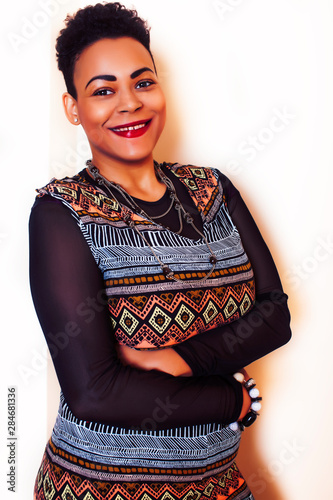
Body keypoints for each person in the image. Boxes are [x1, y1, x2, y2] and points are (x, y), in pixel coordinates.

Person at [29, 3, 291, 499]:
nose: (129, 103)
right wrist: (237, 401)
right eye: (103, 90)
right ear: (73, 108)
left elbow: (275, 316)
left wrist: (182, 358)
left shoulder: (213, 190)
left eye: (142, 82)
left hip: (216, 485)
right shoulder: (63, 212)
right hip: (97, 488)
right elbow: (95, 394)